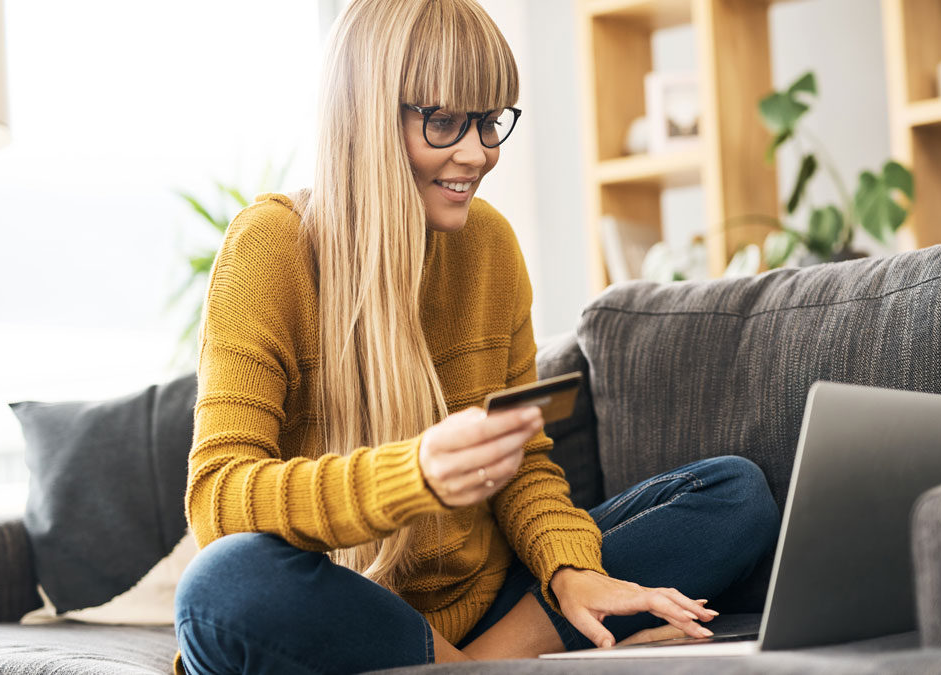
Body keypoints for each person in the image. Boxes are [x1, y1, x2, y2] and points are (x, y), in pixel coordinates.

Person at [172, 0, 780, 673]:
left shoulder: (490, 245)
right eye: (444, 122)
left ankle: (474, 662)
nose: (479, 153)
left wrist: (568, 567)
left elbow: (524, 463)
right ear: (367, 118)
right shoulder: (269, 249)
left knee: (735, 494)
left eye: (489, 121)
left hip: (488, 601)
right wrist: (416, 473)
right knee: (218, 588)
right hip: (341, 612)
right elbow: (218, 500)